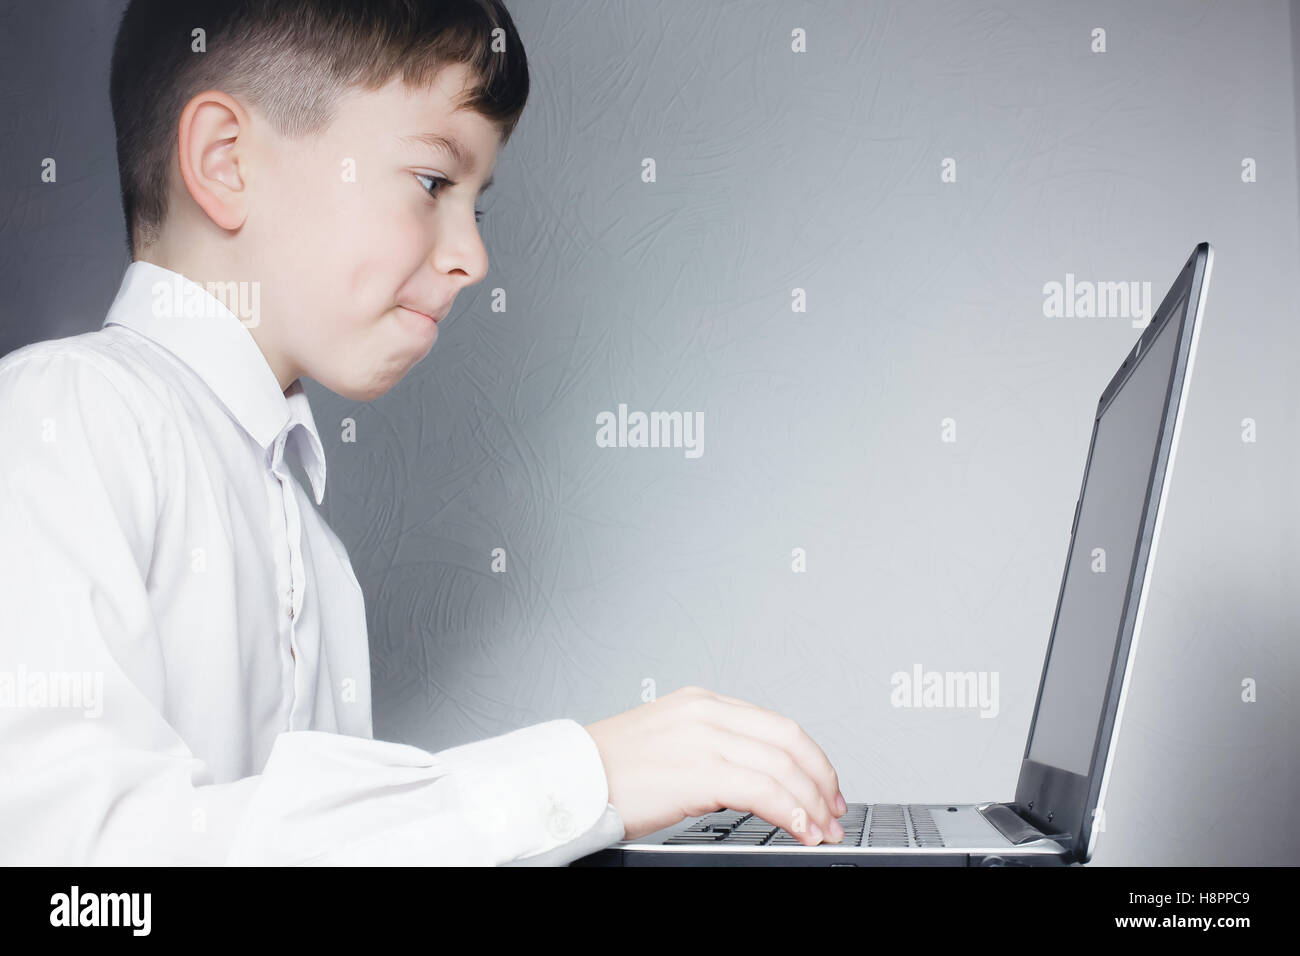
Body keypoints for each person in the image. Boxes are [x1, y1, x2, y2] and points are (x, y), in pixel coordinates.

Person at [0, 0, 845, 865]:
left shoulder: (316, 553)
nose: (473, 258)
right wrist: (580, 776)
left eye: (478, 204)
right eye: (434, 183)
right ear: (227, 161)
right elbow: (72, 870)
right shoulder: (62, 414)